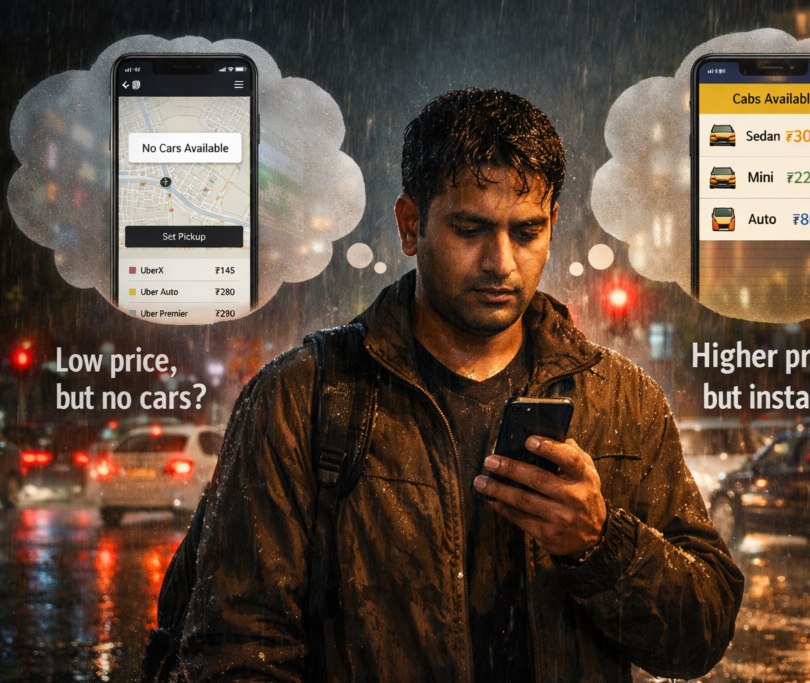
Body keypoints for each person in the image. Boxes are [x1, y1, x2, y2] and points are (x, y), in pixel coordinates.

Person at [180, 88, 744, 683]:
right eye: (470, 229)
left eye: (526, 233)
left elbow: (700, 635)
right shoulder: (300, 398)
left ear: (553, 223)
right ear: (409, 224)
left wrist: (597, 544)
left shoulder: (624, 401)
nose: (500, 261)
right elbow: (235, 646)